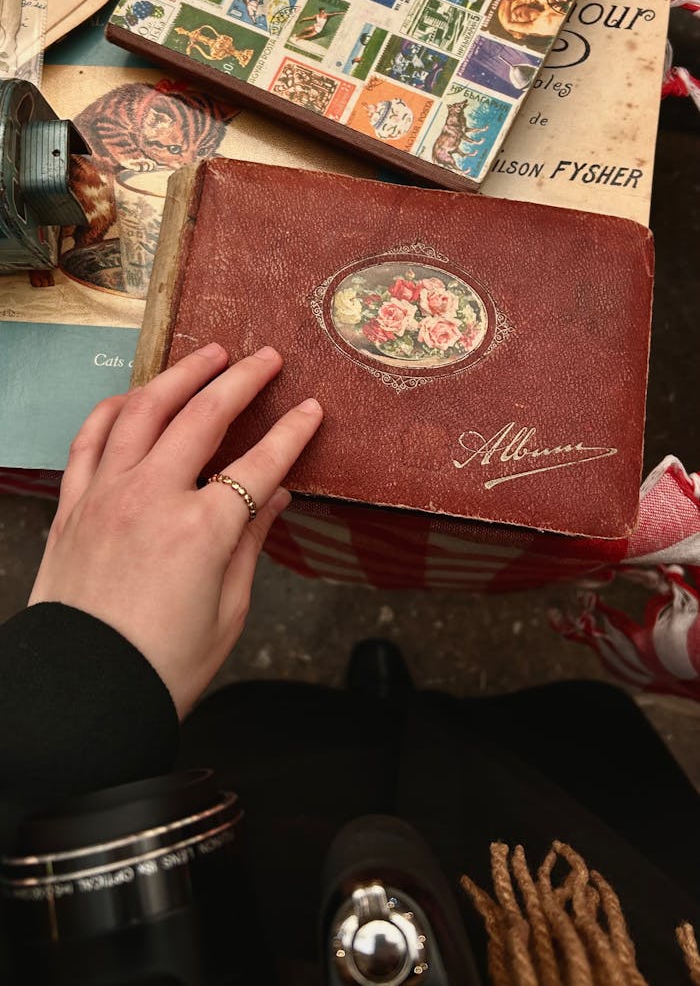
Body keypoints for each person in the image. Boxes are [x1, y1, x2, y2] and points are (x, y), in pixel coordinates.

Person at [2, 344, 700, 984]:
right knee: (526, 752)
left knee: (301, 743)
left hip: (253, 851)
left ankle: (376, 713)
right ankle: (407, 713)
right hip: (580, 880)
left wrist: (77, 684)